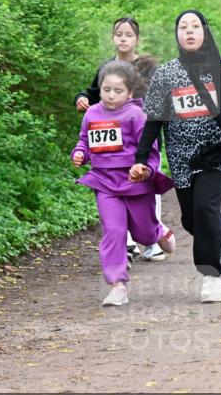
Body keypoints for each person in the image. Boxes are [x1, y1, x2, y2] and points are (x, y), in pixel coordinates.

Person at [130, 10, 221, 303]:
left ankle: (211, 276)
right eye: (183, 27)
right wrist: (141, 157)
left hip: (217, 151)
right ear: (177, 35)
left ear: (205, 32)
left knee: (207, 209)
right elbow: (154, 119)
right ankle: (216, 240)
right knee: (190, 219)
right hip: (183, 157)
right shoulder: (167, 74)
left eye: (196, 26)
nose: (190, 31)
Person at [72, 61, 176, 306]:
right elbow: (85, 142)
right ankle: (118, 285)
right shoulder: (92, 113)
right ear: (100, 89)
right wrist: (79, 154)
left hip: (134, 183)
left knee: (143, 232)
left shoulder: (136, 115)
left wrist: (146, 170)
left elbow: (151, 151)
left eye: (117, 91)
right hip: (105, 183)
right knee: (114, 231)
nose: (111, 95)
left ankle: (158, 232)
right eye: (106, 89)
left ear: (129, 93)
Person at [74, 17, 167, 262]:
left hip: (142, 133)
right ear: (113, 38)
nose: (123, 39)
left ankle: (152, 241)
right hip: (111, 140)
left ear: (137, 39)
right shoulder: (107, 67)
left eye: (128, 35)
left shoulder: (147, 67)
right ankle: (125, 244)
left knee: (145, 184)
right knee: (114, 188)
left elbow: (161, 100)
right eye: (119, 34)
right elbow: (94, 93)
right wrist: (82, 97)